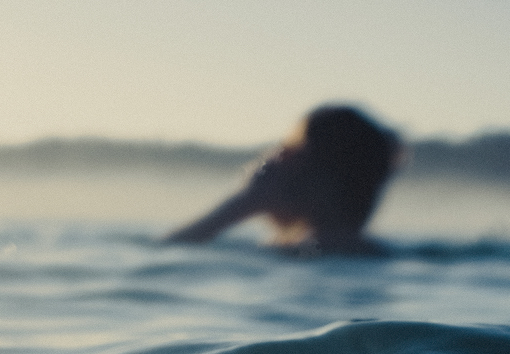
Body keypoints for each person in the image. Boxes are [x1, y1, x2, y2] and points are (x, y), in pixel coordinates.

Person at [164, 105, 402, 256]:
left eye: (282, 153)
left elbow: (167, 251)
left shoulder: (293, 255)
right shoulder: (386, 255)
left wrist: (246, 200)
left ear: (295, 167)